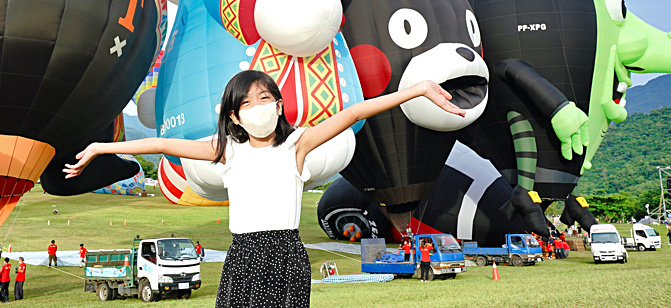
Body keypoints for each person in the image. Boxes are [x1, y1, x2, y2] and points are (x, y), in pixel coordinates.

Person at [64, 70, 465, 308]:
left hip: (285, 253)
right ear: (235, 116)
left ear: (278, 104)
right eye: (247, 102)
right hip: (243, 255)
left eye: (265, 97)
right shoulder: (226, 150)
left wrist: (416, 90)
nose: (258, 107)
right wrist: (102, 146)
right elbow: (161, 144)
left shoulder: (297, 145)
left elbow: (354, 112)